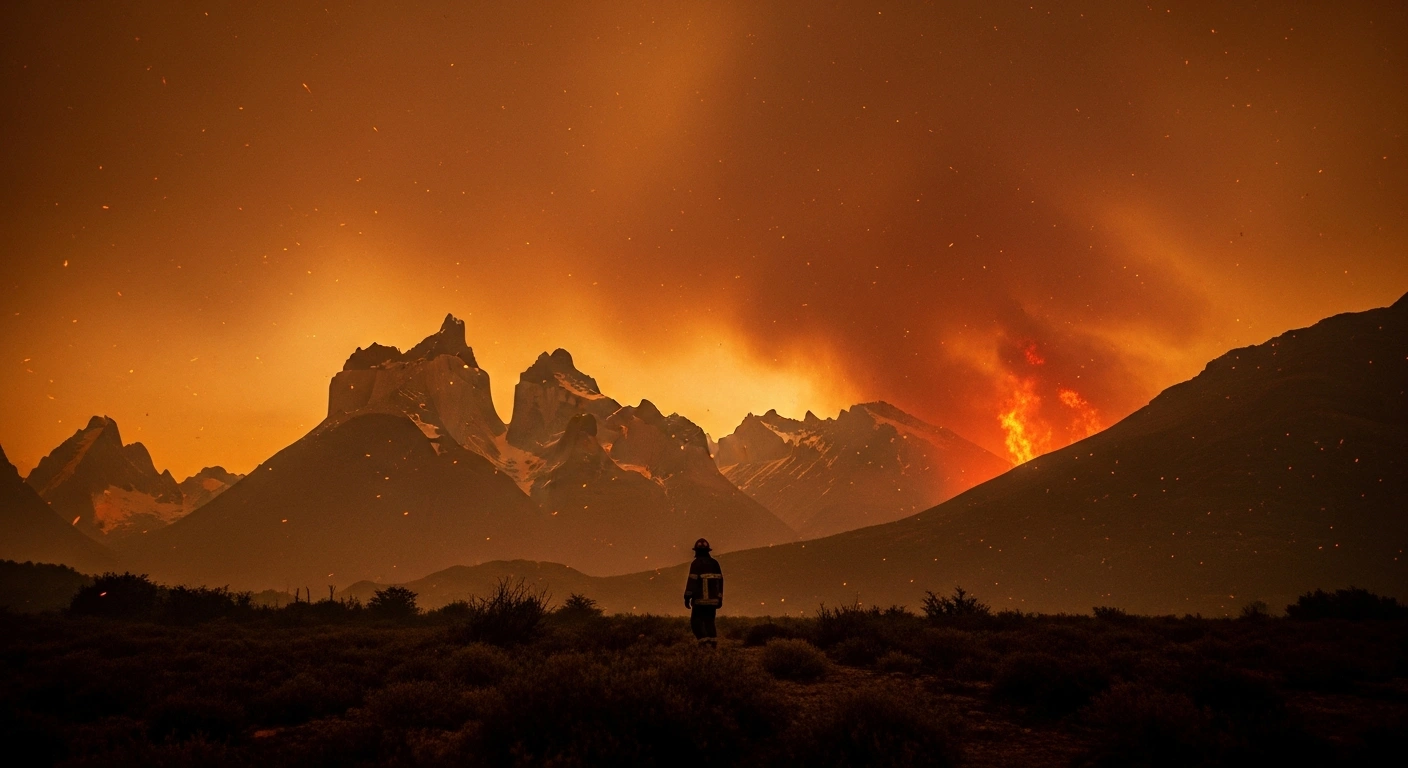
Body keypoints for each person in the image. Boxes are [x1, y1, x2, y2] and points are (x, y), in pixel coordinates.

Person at [683, 538, 723, 647]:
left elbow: (692, 581)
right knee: (710, 622)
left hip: (699, 601)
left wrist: (687, 597)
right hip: (713, 601)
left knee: (696, 623)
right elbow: (720, 582)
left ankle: (703, 644)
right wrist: (719, 599)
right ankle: (713, 645)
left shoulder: (696, 564)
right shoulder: (715, 564)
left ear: (696, 551)